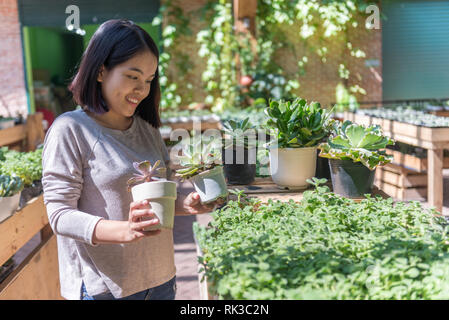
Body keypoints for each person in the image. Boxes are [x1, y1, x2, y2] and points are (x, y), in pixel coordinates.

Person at [42, 19, 218, 300]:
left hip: (162, 280)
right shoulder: (70, 129)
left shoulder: (147, 130)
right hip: (106, 289)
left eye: (148, 80)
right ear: (101, 71)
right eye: (132, 76)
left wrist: (184, 205)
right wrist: (125, 230)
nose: (142, 89)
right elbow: (59, 216)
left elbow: (157, 200)